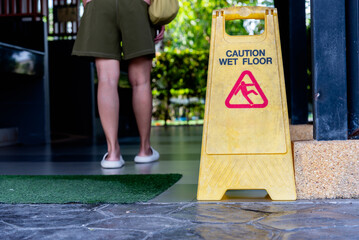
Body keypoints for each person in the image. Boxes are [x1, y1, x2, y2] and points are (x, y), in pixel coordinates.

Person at [72, 0, 160, 168]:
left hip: (100, 4)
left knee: (106, 79)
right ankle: (144, 150)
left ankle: (113, 153)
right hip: (136, 5)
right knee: (141, 81)